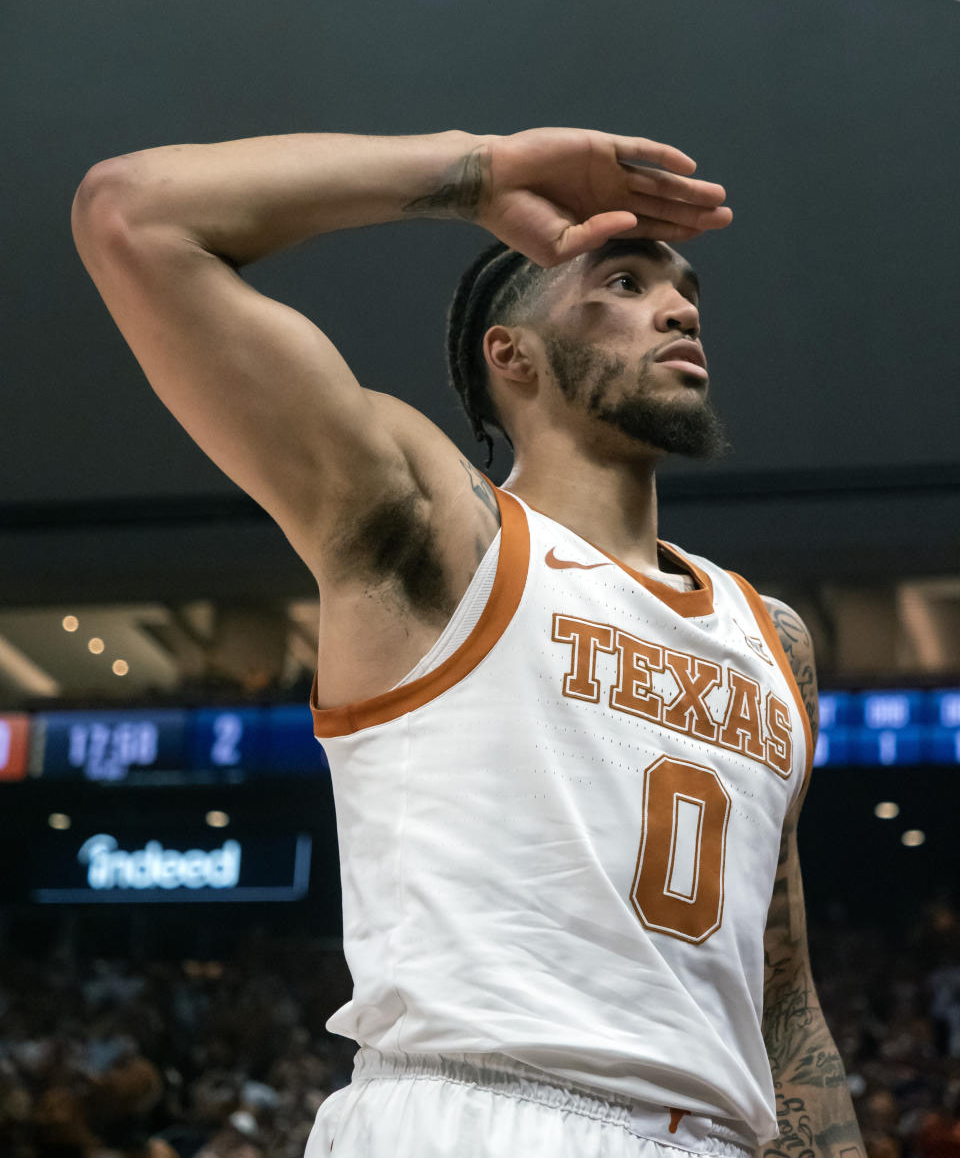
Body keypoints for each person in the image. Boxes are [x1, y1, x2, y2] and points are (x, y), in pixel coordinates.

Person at [71, 127, 864, 1158]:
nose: (677, 307)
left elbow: (781, 989)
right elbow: (132, 215)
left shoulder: (774, 638)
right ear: (512, 353)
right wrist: (475, 172)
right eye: (621, 282)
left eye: (683, 290)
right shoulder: (446, 535)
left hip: (713, 1132)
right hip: (478, 1108)